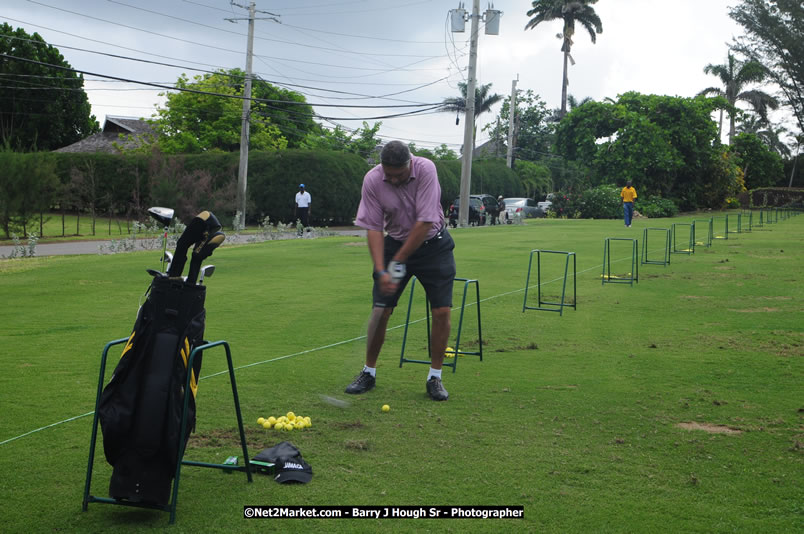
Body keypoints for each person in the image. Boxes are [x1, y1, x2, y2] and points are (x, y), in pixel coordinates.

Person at [345, 141, 456, 401]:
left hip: (433, 246)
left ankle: (435, 377)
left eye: (399, 174)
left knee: (441, 310)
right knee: (381, 309)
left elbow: (425, 220)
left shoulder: (426, 169)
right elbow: (372, 228)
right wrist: (382, 269)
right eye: (389, 174)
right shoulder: (373, 180)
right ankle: (368, 372)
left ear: (410, 163)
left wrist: (398, 261)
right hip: (394, 243)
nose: (393, 180)